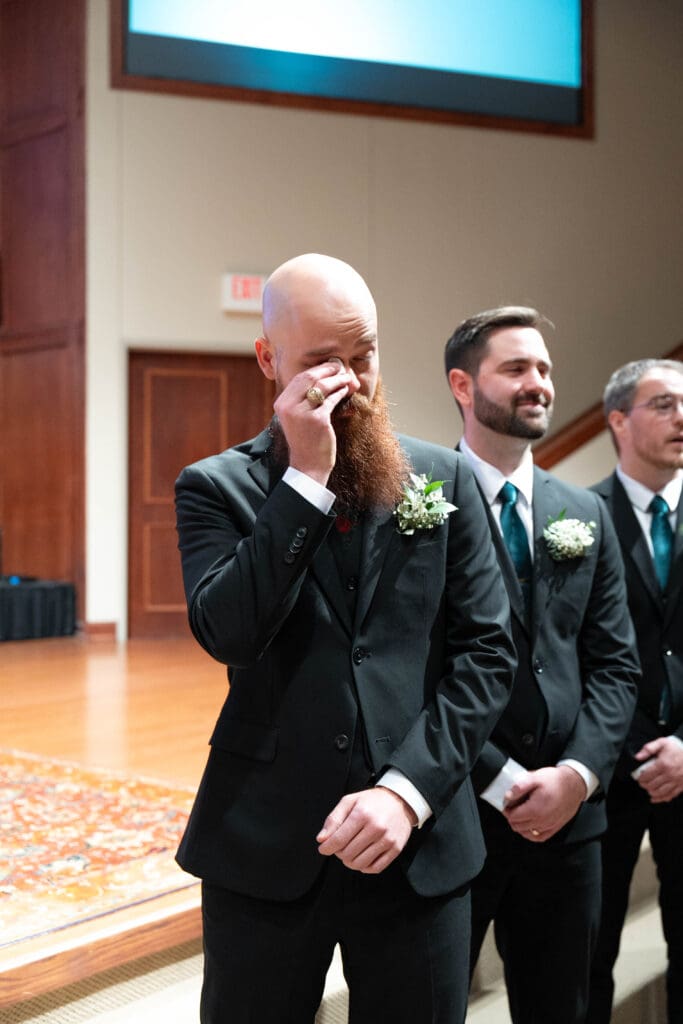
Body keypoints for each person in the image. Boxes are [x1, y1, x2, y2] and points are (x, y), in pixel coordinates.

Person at [174, 254, 517, 1024]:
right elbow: (230, 633)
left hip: (416, 844)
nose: (351, 381)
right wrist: (304, 479)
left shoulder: (445, 480)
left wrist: (406, 792)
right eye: (322, 362)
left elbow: (487, 655)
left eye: (363, 355)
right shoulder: (214, 487)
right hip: (264, 842)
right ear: (269, 360)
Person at [444, 306, 639, 1024]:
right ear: (463, 386)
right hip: (455, 810)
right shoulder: (418, 504)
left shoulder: (581, 512)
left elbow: (615, 665)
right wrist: (496, 775)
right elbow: (415, 668)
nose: (540, 384)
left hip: (569, 823)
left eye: (545, 370)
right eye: (516, 368)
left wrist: (577, 776)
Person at [587, 358, 683, 1023]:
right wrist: (626, 747)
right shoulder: (577, 517)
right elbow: (564, 653)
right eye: (664, 405)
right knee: (585, 953)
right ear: (618, 420)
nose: (682, 418)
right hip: (601, 770)